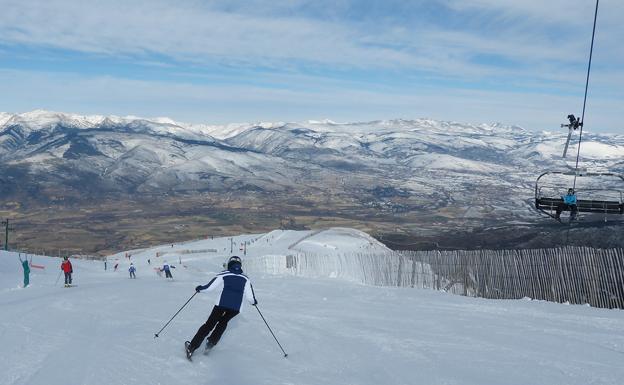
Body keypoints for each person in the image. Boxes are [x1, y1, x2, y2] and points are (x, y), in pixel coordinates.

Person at [185, 256, 257, 358]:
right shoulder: (246, 278)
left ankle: (192, 347)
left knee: (209, 324)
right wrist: (253, 302)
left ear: (229, 264)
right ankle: (211, 343)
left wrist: (200, 289)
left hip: (221, 304)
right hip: (235, 308)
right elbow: (250, 297)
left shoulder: (224, 273)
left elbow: (210, 287)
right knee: (223, 323)